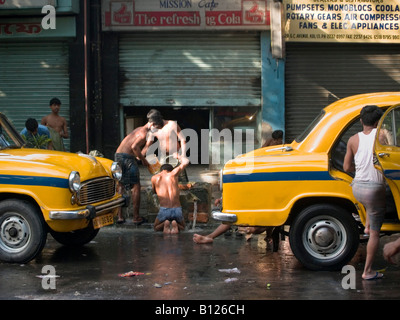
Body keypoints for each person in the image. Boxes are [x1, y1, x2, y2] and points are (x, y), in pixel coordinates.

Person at [343, 105, 385, 280]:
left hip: (357, 187)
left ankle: (367, 225)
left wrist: (359, 168)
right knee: (376, 233)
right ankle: (368, 271)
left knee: (369, 208)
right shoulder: (382, 136)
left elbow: (346, 167)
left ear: (361, 121)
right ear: (378, 122)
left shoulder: (353, 139)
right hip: (374, 188)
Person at [115, 123, 151, 224]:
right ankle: (136, 217)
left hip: (118, 156)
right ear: (152, 125)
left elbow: (138, 150)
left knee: (121, 185)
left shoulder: (138, 129)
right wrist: (144, 160)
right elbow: (134, 147)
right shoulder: (144, 134)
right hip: (127, 158)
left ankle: (120, 217)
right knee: (136, 186)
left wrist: (148, 145)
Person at [143, 109, 187, 180]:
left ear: (158, 120)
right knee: (163, 179)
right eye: (152, 124)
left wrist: (183, 155)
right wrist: (139, 156)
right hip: (163, 157)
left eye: (154, 124)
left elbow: (182, 139)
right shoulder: (153, 129)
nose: (153, 126)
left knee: (181, 180)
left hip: (175, 155)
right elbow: (147, 145)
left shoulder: (172, 124)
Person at [152, 156, 189, 234]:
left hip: (164, 210)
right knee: (183, 228)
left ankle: (165, 224)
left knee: (155, 228)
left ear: (161, 170)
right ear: (170, 170)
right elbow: (186, 161)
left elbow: (154, 191)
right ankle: (175, 224)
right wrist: (178, 156)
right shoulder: (173, 174)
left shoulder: (154, 178)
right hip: (177, 209)